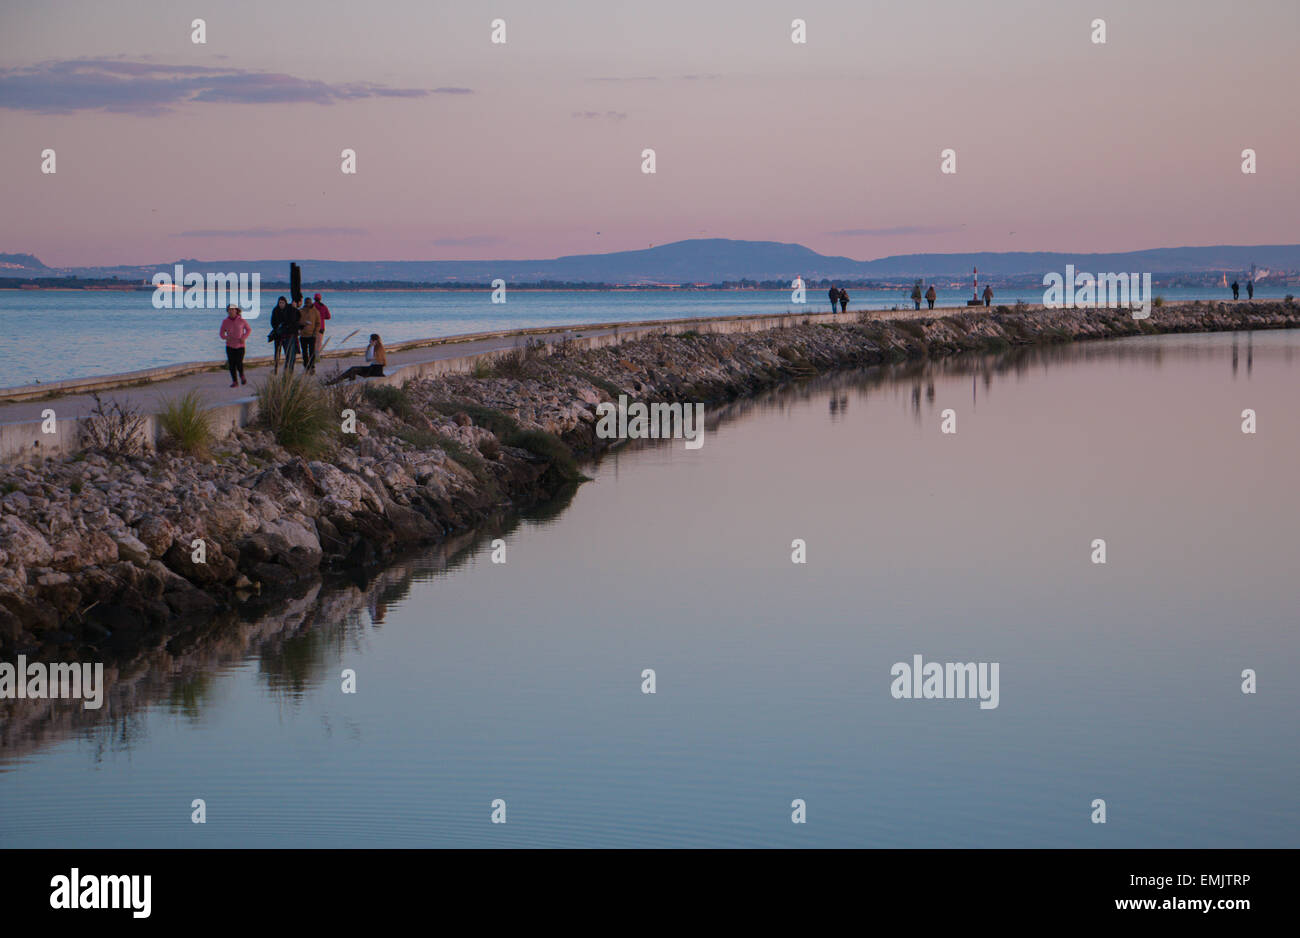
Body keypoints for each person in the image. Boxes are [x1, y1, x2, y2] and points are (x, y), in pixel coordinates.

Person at [219, 305, 251, 387]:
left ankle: (242, 376)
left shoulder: (242, 320)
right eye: (229, 310)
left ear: (236, 311)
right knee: (231, 364)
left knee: (239, 362)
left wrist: (243, 337)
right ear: (227, 311)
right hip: (230, 346)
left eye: (233, 309)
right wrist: (226, 337)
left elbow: (248, 329)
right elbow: (221, 333)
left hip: (240, 345)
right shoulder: (225, 321)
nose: (231, 311)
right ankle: (235, 381)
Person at [299, 297, 322, 373]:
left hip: (312, 335)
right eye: (306, 302)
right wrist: (301, 327)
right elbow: (298, 322)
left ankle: (312, 367)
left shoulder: (316, 312)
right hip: (303, 335)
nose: (307, 304)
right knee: (304, 352)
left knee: (312, 352)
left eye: (309, 302)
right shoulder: (301, 311)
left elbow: (318, 323)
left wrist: (315, 332)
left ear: (311, 303)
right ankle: (306, 366)